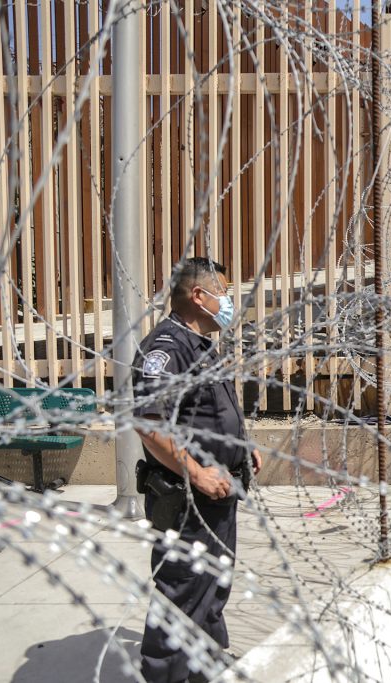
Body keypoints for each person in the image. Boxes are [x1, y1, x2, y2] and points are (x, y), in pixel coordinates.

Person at [135, 257, 262, 683]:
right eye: (223, 293)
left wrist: (243, 449)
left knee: (212, 585)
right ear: (198, 295)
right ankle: (164, 675)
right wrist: (197, 473)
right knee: (182, 590)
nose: (227, 303)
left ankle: (202, 667)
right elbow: (148, 424)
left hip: (219, 492)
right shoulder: (167, 349)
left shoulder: (201, 344)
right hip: (189, 497)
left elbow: (206, 413)